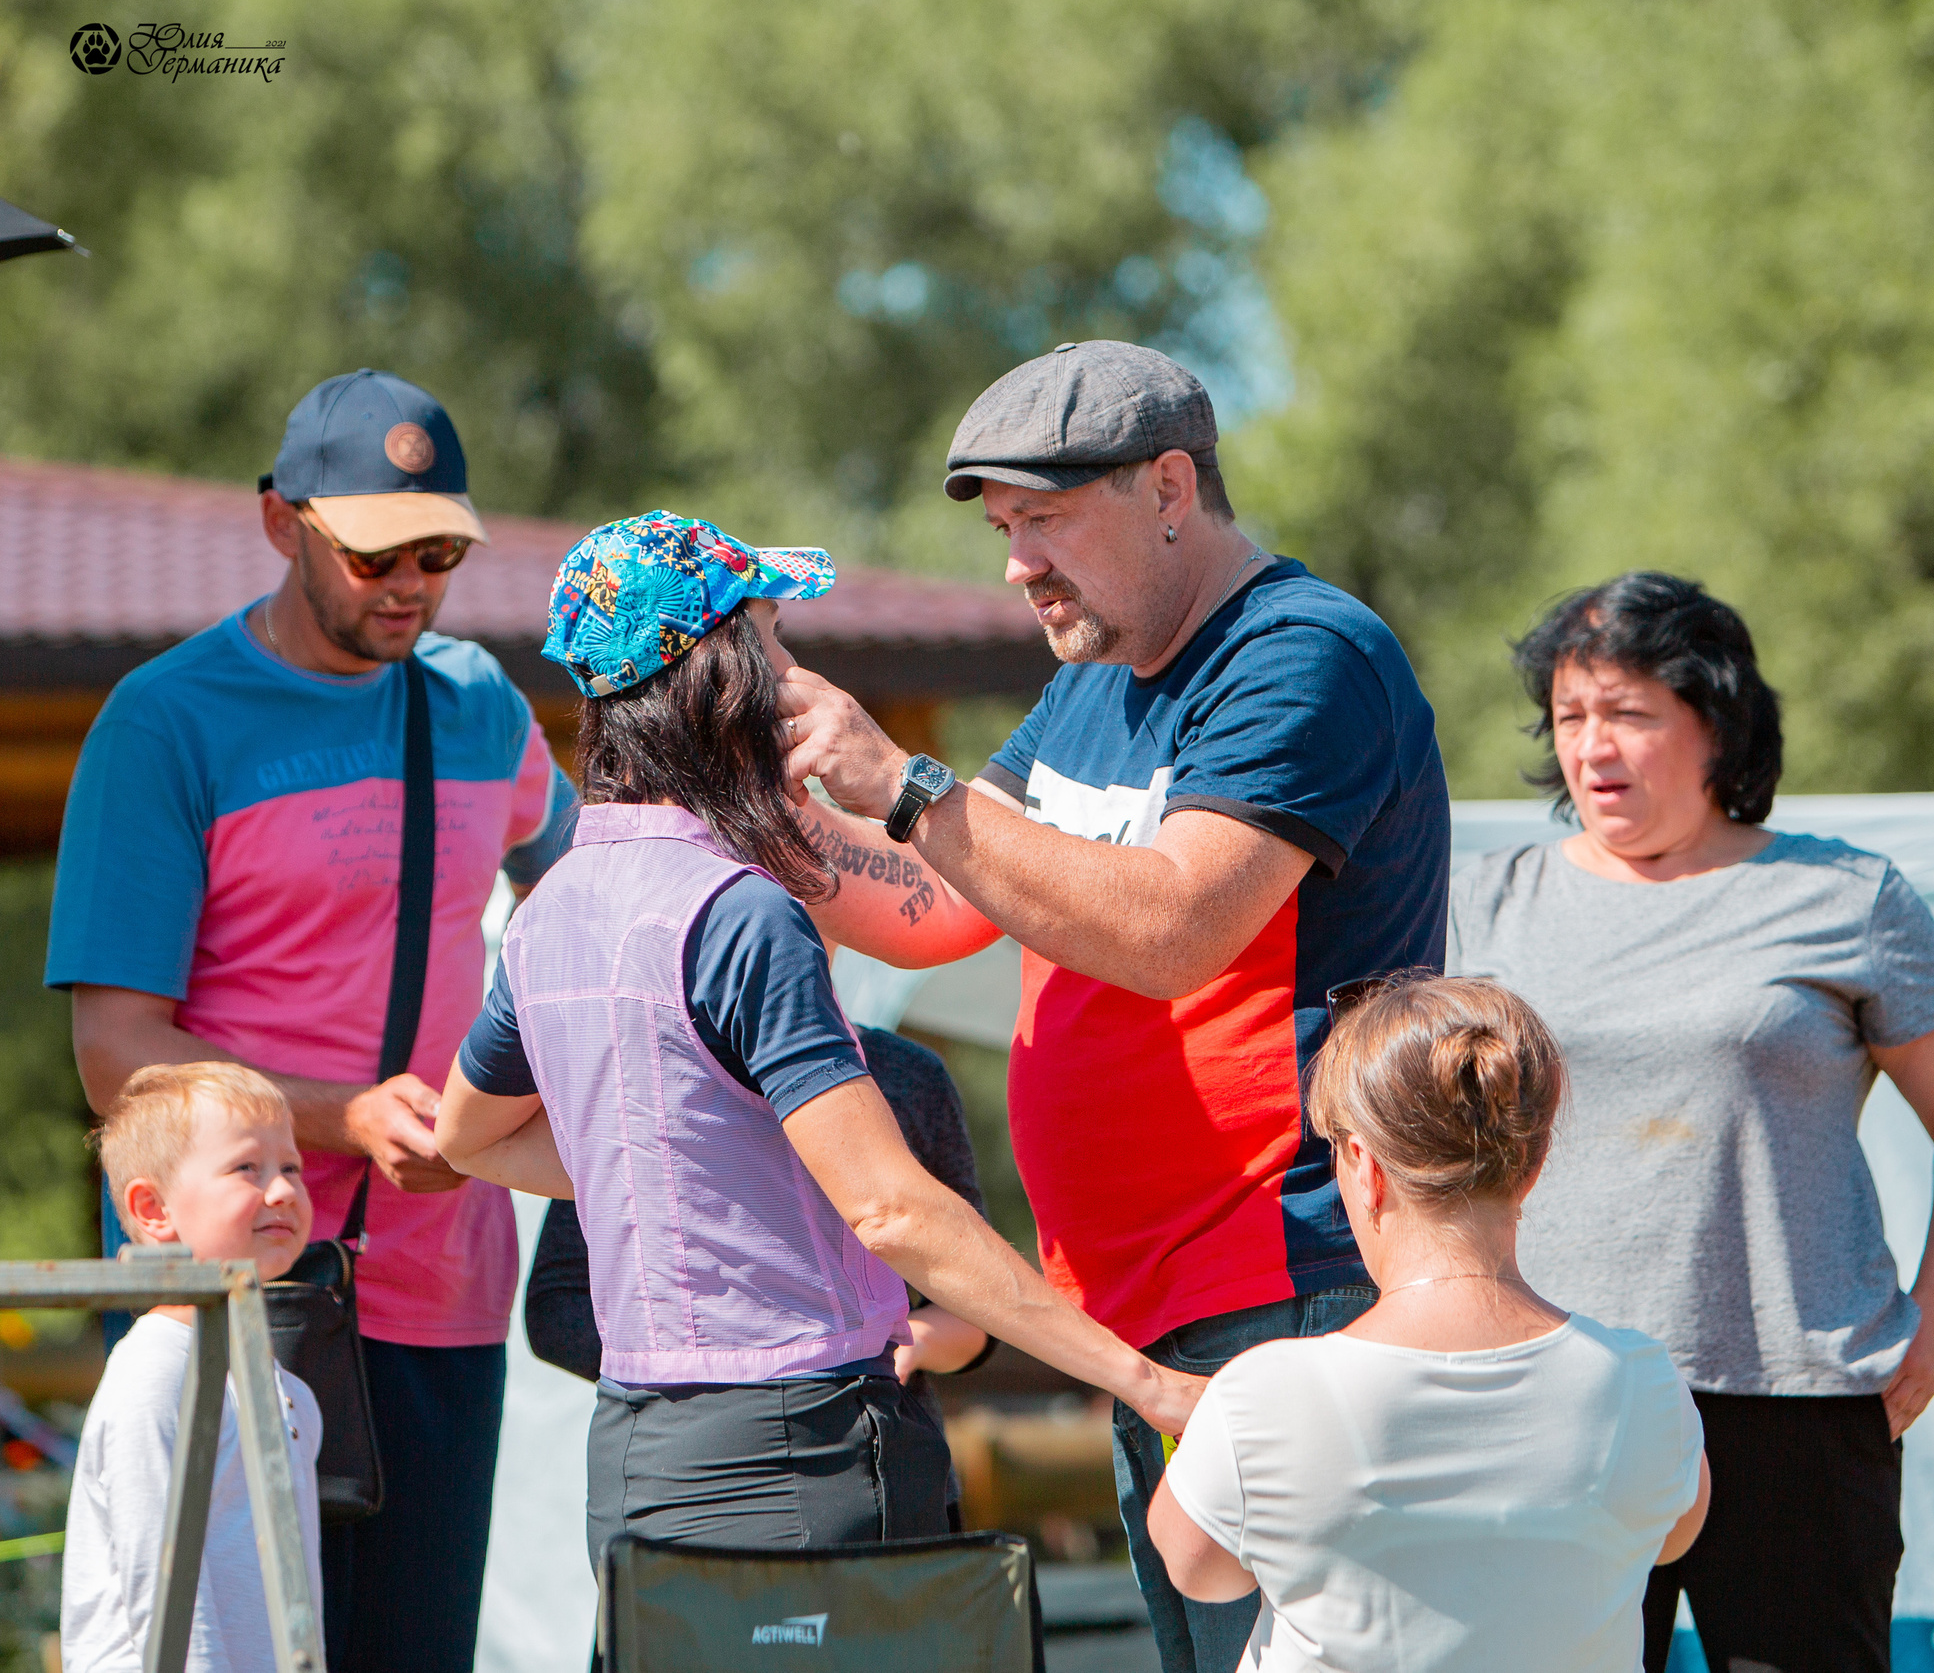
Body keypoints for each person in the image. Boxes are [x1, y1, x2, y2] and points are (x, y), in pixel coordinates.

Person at [772, 341, 1451, 1672]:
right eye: (1005, 526)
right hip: (1153, 1310)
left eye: (1044, 518)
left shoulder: (1304, 654)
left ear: (1171, 487)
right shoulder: (1096, 669)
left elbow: (1170, 928)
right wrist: (753, 823)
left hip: (1293, 1277)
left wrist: (904, 780)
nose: (1015, 562)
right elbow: (942, 898)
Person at [433, 511, 1200, 1564]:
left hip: (635, 1457)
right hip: (805, 1449)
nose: (796, 668)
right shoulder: (739, 910)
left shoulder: (551, 909)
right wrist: (1149, 1384)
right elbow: (890, 1208)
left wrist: (676, 1162)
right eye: (776, 638)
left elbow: (466, 1137)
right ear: (726, 674)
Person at [47, 370, 578, 1673]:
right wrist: (345, 1114)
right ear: (283, 521)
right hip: (226, 1288)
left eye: (441, 551)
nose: (412, 581)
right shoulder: (164, 721)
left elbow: (591, 906)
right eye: (378, 549)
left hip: (441, 1286)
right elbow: (114, 1055)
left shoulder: (484, 706)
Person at [1445, 572, 1934, 1673]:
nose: (1591, 747)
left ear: (1715, 725)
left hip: (1798, 1402)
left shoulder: (1845, 896)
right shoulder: (1484, 903)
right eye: (1571, 717)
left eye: (1627, 714)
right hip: (1551, 1388)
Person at [1147, 973, 1710, 1673]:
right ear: (1531, 1168)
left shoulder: (1265, 1394)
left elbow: (1192, 1564)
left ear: (1365, 1167)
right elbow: (1675, 1534)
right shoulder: (1644, 1384)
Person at [520, 1020, 996, 1527]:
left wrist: (913, 1340)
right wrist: (742, 1381)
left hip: (886, 1481)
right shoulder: (634, 1073)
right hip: (692, 1487)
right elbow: (557, 1307)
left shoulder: (907, 1074)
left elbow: (979, 1310)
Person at [63, 1063, 323, 1673]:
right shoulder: (154, 1374)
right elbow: (161, 1585)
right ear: (153, 1209)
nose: (283, 1190)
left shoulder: (291, 1394)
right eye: (246, 1169)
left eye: (290, 1168)